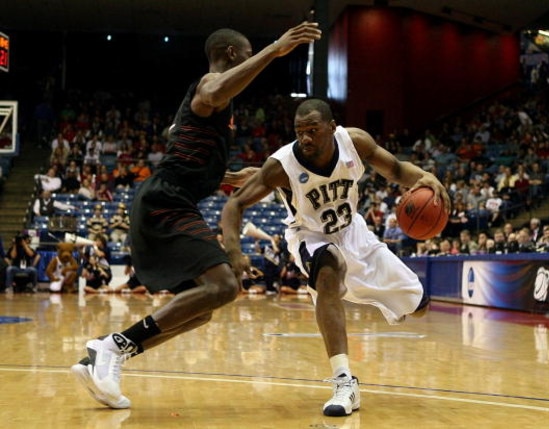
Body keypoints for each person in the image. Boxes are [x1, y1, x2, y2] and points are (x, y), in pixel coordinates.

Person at [70, 22, 322, 409]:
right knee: (223, 286)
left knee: (202, 307)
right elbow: (213, 91)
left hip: (174, 197)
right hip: (165, 199)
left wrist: (252, 176)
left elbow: (187, 149)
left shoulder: (208, 112)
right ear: (235, 53)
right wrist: (273, 49)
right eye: (249, 52)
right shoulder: (209, 85)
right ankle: (113, 347)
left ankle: (108, 354)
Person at [220, 98, 449, 417]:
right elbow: (235, 205)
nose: (306, 138)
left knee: (420, 308)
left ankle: (373, 294)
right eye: (300, 131)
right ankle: (344, 382)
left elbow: (396, 169)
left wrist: (424, 177)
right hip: (309, 235)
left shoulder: (354, 141)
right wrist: (233, 249)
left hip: (354, 233)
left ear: (332, 127)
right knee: (329, 270)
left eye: (313, 130)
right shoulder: (282, 165)